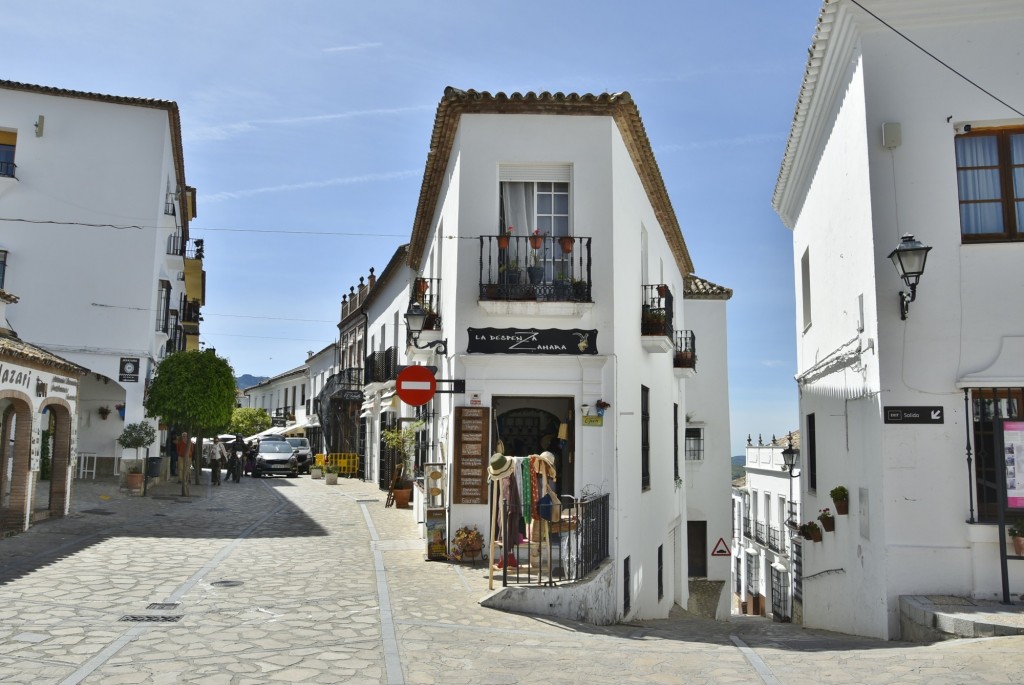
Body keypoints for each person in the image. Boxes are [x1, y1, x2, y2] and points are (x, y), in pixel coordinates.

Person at [176, 431, 192, 496]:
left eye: (185, 436)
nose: (184, 437)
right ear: (182, 436)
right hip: (181, 456)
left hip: (188, 457)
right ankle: (180, 479)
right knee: (180, 468)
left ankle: (188, 479)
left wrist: (189, 455)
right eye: (183, 436)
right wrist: (180, 453)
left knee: (188, 468)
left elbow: (192, 449)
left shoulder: (190, 442)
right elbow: (178, 448)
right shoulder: (180, 442)